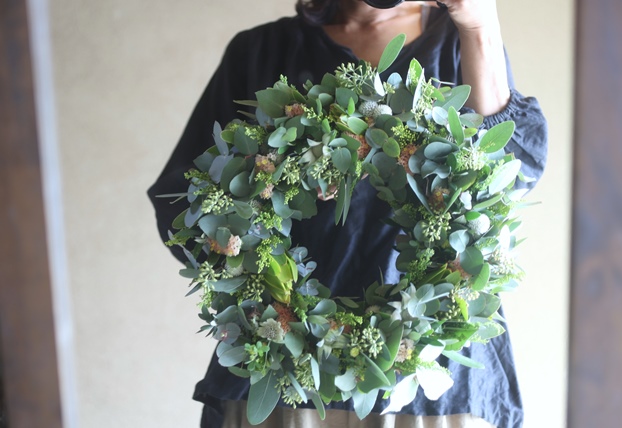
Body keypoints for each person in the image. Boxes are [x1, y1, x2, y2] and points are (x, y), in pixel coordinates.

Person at [147, 1, 548, 427]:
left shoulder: (458, 41)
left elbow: (510, 175)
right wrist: (257, 211)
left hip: (433, 383)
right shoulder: (261, 51)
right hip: (283, 374)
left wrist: (480, 27)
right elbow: (186, 203)